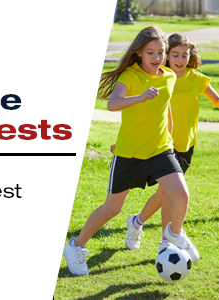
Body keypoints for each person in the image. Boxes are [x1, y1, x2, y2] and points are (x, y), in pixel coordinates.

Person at [62, 26, 199, 276]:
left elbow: (165, 108)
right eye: (150, 53)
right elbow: (112, 104)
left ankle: (174, 233)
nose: (156, 58)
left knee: (181, 194)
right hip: (129, 153)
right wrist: (140, 97)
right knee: (112, 209)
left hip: (160, 150)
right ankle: (76, 245)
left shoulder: (169, 76)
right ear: (138, 53)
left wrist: (169, 137)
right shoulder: (130, 77)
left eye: (161, 52)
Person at [121, 33, 219, 252]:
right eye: (175, 54)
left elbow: (217, 101)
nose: (179, 59)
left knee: (164, 194)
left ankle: (137, 222)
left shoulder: (196, 78)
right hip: (164, 144)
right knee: (167, 194)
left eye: (184, 55)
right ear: (166, 56)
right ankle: (166, 242)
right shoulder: (161, 77)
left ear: (190, 56)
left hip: (187, 145)